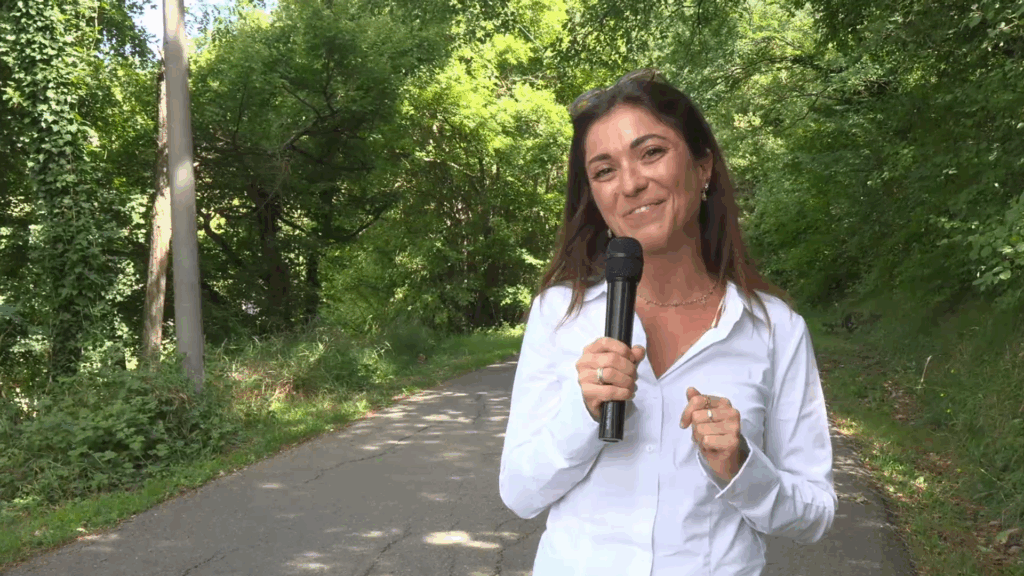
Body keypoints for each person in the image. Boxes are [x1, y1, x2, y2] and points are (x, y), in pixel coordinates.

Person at [498, 69, 837, 576]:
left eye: (651, 152)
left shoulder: (775, 330)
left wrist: (741, 467)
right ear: (594, 197)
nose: (631, 183)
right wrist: (582, 413)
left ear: (703, 167)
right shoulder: (560, 314)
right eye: (604, 171)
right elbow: (520, 494)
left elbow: (815, 513)